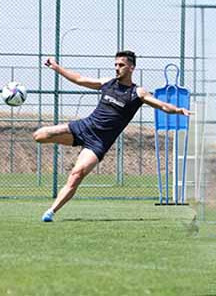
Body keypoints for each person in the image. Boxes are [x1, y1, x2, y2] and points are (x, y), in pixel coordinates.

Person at [36, 51, 192, 222]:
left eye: (121, 65)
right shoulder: (107, 83)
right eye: (116, 65)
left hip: (98, 143)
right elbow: (79, 79)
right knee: (40, 135)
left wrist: (177, 110)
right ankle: (74, 142)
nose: (117, 68)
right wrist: (57, 67)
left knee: (76, 174)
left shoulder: (137, 93)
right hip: (84, 127)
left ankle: (51, 212)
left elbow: (161, 105)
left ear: (131, 68)